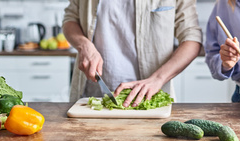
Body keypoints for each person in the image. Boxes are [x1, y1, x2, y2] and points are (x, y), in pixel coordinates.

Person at [63, 0, 202, 107]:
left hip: (149, 99)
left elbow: (192, 38)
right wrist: (84, 45)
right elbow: (70, 18)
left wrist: (158, 79)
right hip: (92, 97)